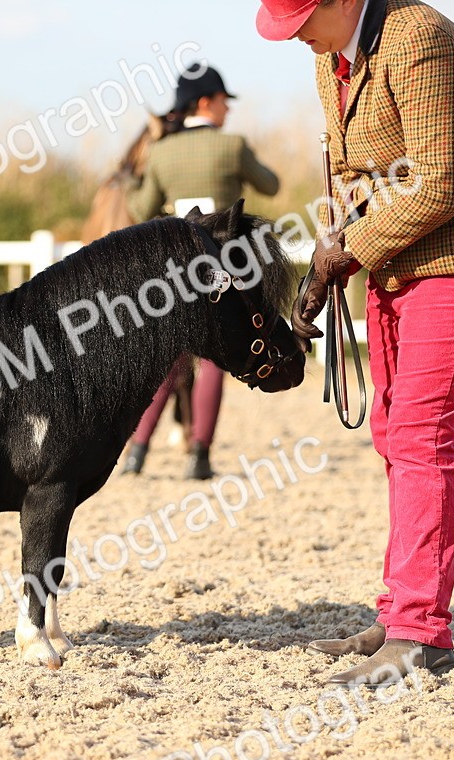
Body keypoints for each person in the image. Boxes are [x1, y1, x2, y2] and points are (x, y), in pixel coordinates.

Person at [256, 0, 454, 685]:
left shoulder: (422, 42)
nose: (295, 34)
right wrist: (324, 258)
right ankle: (398, 611)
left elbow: (441, 183)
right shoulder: (329, 58)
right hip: (398, 256)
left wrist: (350, 252)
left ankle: (421, 634)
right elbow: (351, 173)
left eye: (302, 17)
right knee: (393, 432)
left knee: (422, 434)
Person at [122, 63, 281, 479]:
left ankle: (137, 451)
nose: (228, 109)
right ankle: (199, 456)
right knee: (214, 360)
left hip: (174, 268)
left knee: (169, 358)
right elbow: (270, 185)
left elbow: (140, 208)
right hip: (226, 266)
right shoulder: (232, 145)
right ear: (206, 102)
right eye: (224, 102)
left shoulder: (161, 151)